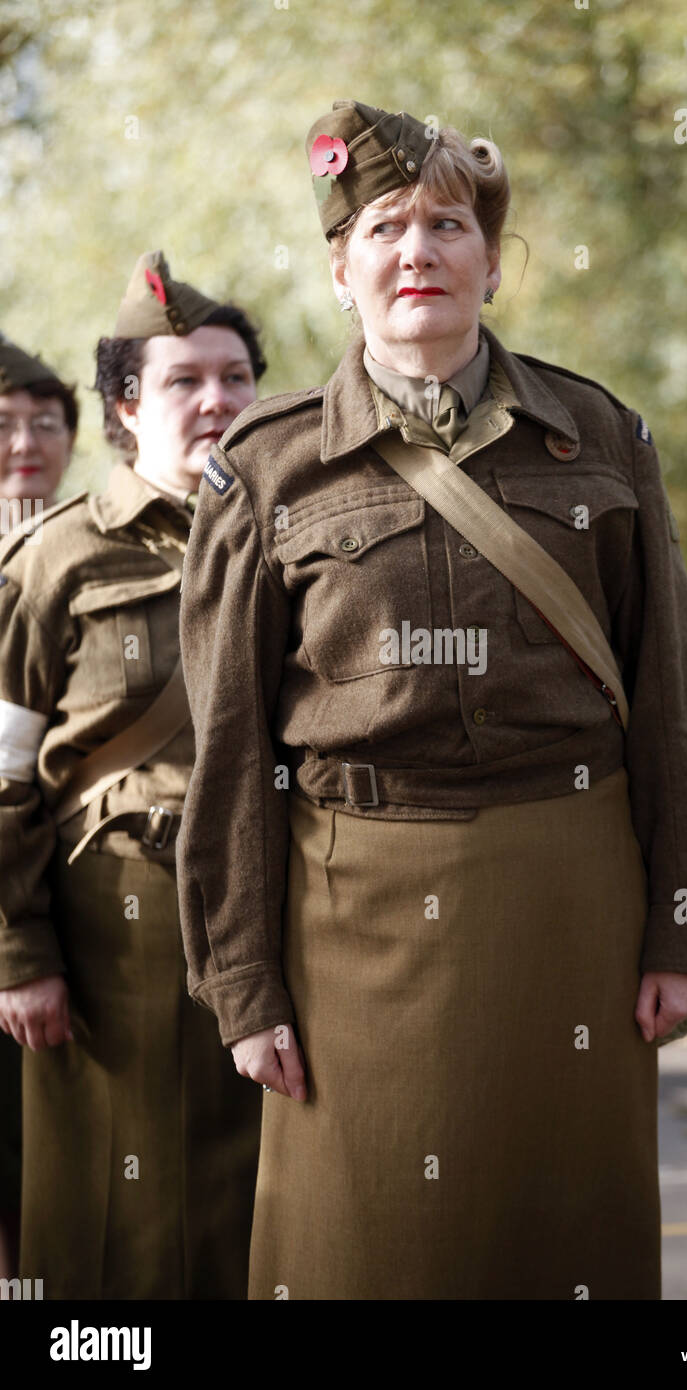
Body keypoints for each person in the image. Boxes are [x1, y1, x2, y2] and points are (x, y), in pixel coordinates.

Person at [175, 101, 687, 1301]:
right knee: (361, 1247)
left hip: (568, 899)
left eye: (446, 225)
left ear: (490, 259)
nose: (417, 251)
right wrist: (242, 982)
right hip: (353, 920)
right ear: (341, 269)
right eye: (384, 228)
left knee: (562, 1240)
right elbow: (226, 755)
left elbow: (673, 699)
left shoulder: (596, 436)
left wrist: (686, 926)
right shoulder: (266, 468)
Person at [0, 253, 267, 1299]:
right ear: (122, 405)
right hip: (118, 930)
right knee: (122, 1220)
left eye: (235, 376)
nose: (216, 400)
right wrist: (19, 954)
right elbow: (4, 774)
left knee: (262, 1202)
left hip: (278, 913)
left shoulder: (292, 537)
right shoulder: (55, 563)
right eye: (183, 380)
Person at [0, 335, 78, 1285]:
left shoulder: (90, 551)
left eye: (45, 422)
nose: (25, 441)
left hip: (51, 895)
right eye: (4, 425)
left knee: (41, 1155)